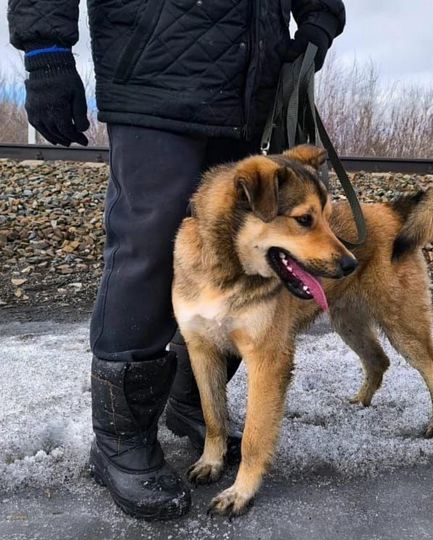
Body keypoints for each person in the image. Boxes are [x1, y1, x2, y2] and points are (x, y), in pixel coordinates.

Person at [8, 0, 345, 520]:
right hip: (156, 73)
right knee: (147, 246)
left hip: (249, 83)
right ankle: (120, 437)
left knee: (240, 266)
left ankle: (192, 403)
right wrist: (46, 51)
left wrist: (319, 18)